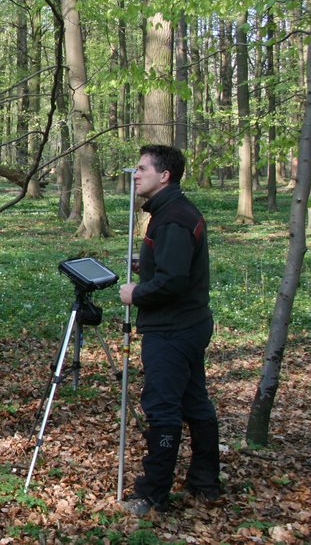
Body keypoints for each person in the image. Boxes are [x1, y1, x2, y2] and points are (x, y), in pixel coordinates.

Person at [118, 144, 220, 516]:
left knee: (163, 408)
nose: (136, 174)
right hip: (188, 324)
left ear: (164, 176)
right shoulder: (171, 211)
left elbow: (174, 281)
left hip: (173, 330)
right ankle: (204, 482)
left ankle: (151, 495)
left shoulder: (173, 217)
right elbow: (173, 265)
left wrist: (136, 293)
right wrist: (146, 263)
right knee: (195, 403)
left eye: (142, 168)